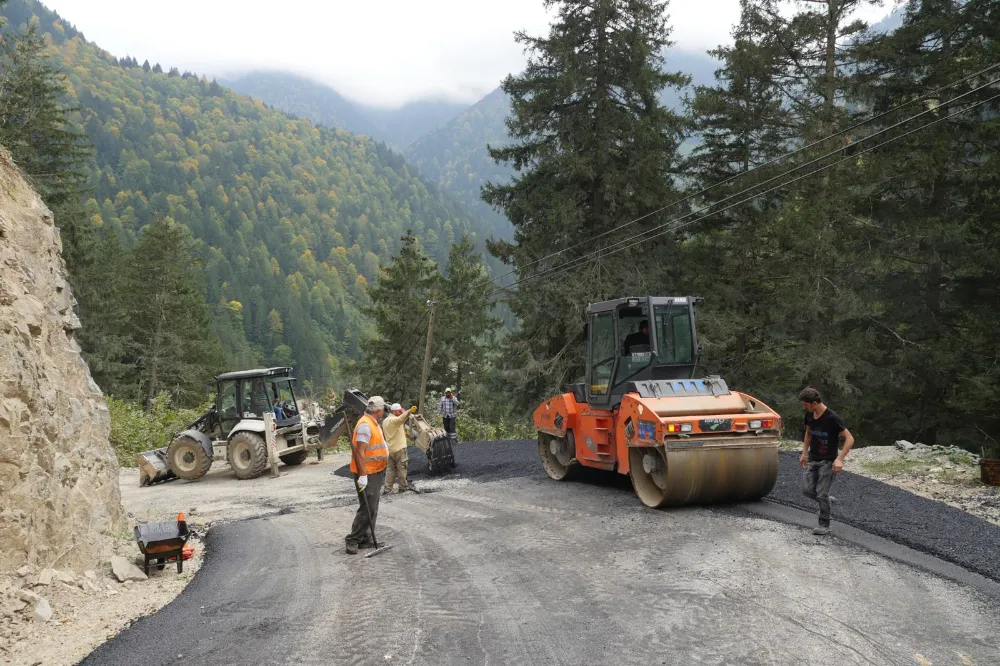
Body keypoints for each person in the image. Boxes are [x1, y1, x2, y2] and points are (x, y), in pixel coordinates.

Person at [799, 387, 855, 535]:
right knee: (807, 490)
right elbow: (808, 434)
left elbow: (849, 439)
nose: (804, 407)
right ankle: (826, 503)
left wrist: (839, 459)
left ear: (815, 403)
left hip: (828, 462)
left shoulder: (832, 418)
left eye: (805, 405)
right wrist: (804, 453)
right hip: (813, 459)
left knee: (821, 494)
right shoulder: (809, 416)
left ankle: (824, 524)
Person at [345, 395, 390, 554]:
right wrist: (363, 476)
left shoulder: (373, 423)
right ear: (378, 411)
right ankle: (353, 539)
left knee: (372, 507)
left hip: (375, 471)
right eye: (383, 408)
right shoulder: (365, 425)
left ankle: (365, 539)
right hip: (368, 473)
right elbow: (359, 453)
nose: (384, 411)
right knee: (367, 507)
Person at [383, 403, 417, 494]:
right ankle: (402, 487)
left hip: (390, 450)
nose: (400, 412)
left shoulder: (385, 421)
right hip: (399, 449)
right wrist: (409, 410)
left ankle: (387, 489)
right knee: (402, 468)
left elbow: (400, 422)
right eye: (399, 411)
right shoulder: (394, 420)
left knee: (390, 470)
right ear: (394, 411)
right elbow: (401, 418)